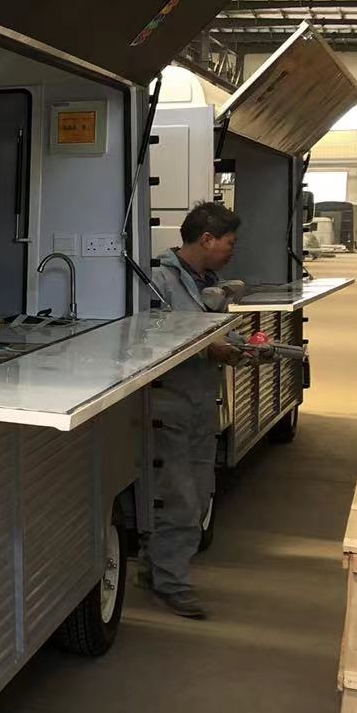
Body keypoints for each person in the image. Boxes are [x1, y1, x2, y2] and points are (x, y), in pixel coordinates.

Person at [147, 201, 244, 619]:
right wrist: (210, 349)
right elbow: (147, 340)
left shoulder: (210, 282)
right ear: (206, 239)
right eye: (229, 243)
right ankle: (171, 582)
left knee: (200, 490)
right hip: (171, 400)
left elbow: (219, 331)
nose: (231, 250)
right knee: (181, 496)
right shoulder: (158, 281)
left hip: (203, 401)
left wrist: (235, 347)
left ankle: (158, 570)